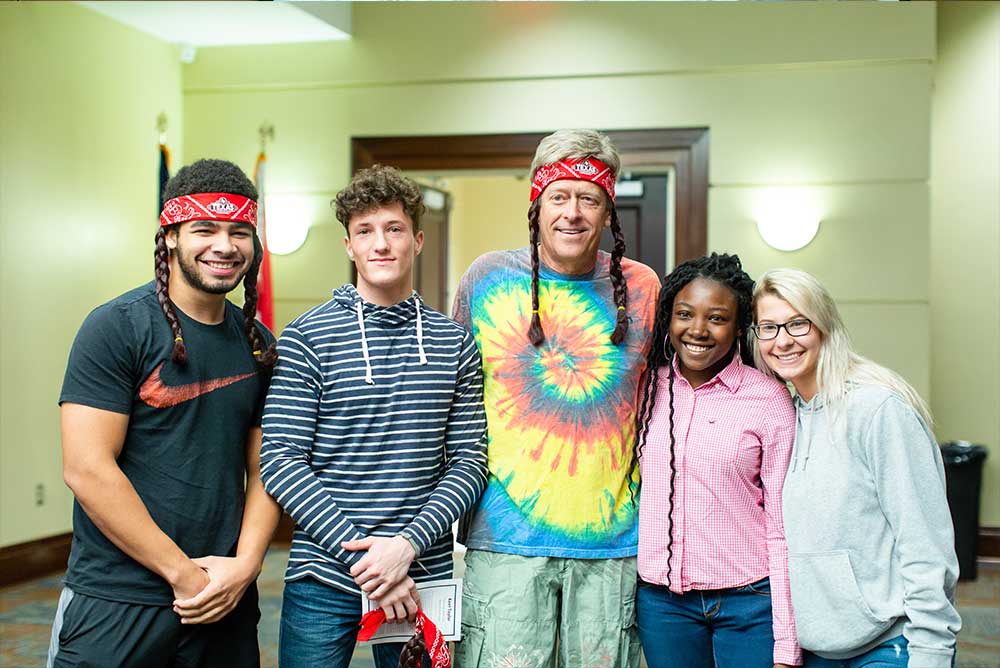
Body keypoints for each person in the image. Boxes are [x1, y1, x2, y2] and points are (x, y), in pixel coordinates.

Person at [49, 159, 280, 667]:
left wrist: (245, 566)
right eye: (205, 229)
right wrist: (183, 574)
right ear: (171, 236)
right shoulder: (116, 328)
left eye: (240, 232)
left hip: (225, 597)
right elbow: (87, 469)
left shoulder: (258, 344)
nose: (225, 245)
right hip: (118, 598)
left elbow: (267, 469)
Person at [259, 165, 488, 668]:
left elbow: (470, 461)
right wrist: (369, 562)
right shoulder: (307, 338)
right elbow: (280, 461)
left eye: (394, 229)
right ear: (349, 246)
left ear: (418, 240)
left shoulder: (454, 343)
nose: (380, 244)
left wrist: (405, 546)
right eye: (365, 231)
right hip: (324, 574)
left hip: (419, 573)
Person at [451, 129, 661, 668]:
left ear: (608, 208)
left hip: (614, 545)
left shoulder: (642, 288)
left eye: (589, 198)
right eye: (559, 197)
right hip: (505, 543)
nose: (573, 213)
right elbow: (450, 403)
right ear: (537, 204)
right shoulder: (488, 278)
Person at [752, 268, 961, 668]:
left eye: (798, 323)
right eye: (769, 327)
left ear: (824, 325)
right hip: (818, 649)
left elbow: (925, 542)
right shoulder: (782, 418)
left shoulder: (878, 410)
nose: (783, 340)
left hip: (889, 644)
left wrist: (932, 652)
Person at [633, 253, 801, 668]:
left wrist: (787, 642)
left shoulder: (769, 399)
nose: (697, 330)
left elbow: (782, 524)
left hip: (749, 603)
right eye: (685, 314)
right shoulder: (645, 389)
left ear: (739, 326)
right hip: (664, 605)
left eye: (717, 318)